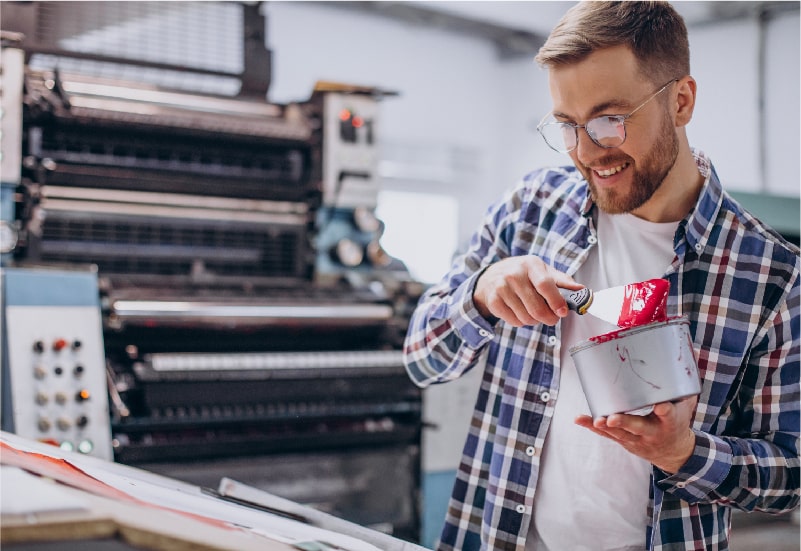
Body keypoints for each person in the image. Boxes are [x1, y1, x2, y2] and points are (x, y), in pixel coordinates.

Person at [402, 2, 800, 550]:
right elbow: (422, 361)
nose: (587, 152)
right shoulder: (530, 209)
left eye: (610, 120)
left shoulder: (773, 275)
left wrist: (684, 454)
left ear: (681, 101)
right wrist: (480, 293)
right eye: (567, 125)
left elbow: (790, 477)